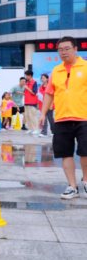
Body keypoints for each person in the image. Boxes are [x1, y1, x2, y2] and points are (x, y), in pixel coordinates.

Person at [39, 36, 87, 199]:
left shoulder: (85, 67)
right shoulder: (56, 71)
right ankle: (72, 187)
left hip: (83, 117)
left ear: (75, 49)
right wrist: (43, 113)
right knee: (65, 153)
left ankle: (86, 181)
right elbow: (49, 94)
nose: (63, 52)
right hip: (61, 119)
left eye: (67, 48)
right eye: (60, 49)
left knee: (86, 152)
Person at [38, 73, 54, 138]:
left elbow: (52, 96)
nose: (43, 79)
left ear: (47, 79)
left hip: (49, 105)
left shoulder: (50, 86)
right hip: (42, 105)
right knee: (43, 118)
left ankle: (53, 131)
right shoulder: (40, 87)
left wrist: (51, 104)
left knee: (50, 119)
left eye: (44, 78)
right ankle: (44, 132)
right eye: (42, 78)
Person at [24, 70, 39, 135]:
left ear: (30, 75)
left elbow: (34, 92)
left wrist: (27, 88)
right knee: (27, 116)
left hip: (32, 102)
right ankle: (30, 128)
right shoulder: (27, 83)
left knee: (32, 116)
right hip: (26, 101)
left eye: (27, 75)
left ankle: (35, 129)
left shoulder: (34, 82)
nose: (26, 77)